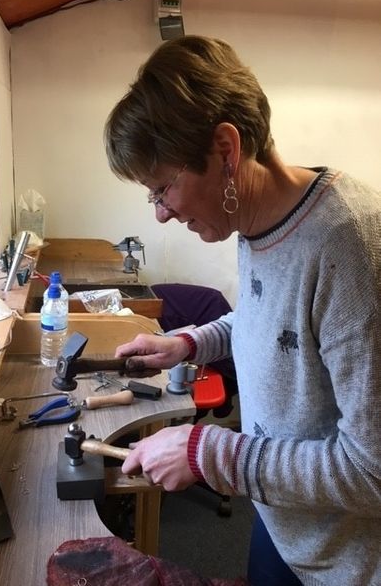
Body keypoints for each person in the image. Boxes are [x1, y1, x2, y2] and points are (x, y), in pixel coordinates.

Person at [104, 35, 381, 586]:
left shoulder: (349, 244)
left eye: (163, 189)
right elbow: (273, 325)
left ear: (226, 152)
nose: (160, 215)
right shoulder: (251, 221)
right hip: (280, 523)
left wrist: (212, 454)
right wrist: (188, 343)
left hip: (347, 564)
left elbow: (372, 470)